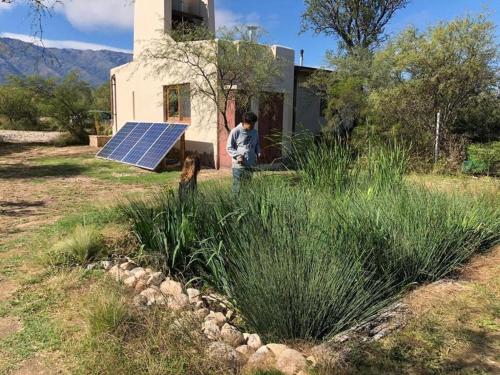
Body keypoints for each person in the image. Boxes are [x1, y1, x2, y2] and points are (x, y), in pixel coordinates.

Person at [226, 111, 261, 193]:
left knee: (247, 187)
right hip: (239, 165)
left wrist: (258, 152)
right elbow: (229, 147)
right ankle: (234, 205)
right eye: (251, 124)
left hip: (250, 164)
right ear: (244, 122)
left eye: (254, 124)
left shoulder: (255, 132)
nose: (253, 126)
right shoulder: (236, 131)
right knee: (237, 188)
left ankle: (245, 205)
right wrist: (237, 156)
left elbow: (257, 145)